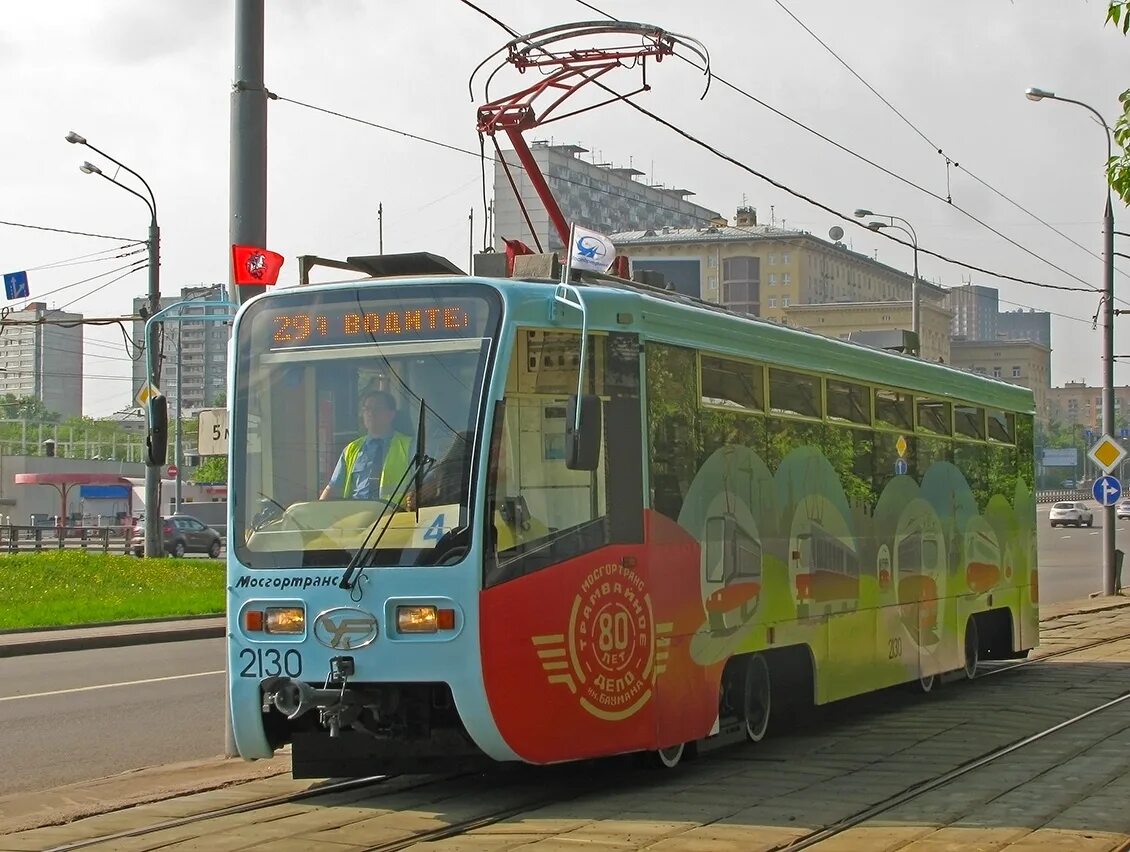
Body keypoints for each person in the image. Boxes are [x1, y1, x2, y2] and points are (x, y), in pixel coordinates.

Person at [320, 389, 413, 501]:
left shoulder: (409, 446)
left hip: (395, 514)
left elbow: (426, 485)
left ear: (390, 414)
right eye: (367, 409)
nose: (371, 413)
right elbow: (332, 488)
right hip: (357, 514)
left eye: (377, 409)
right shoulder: (351, 449)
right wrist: (316, 514)